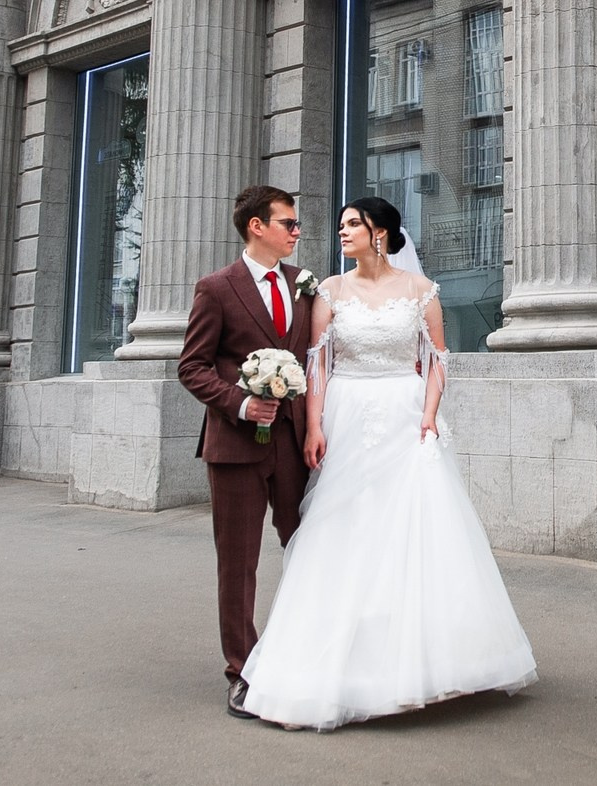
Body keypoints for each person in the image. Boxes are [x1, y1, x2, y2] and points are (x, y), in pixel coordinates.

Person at [239, 195, 537, 729]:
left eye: (352, 224)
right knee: (344, 529)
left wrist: (428, 415)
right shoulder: (329, 290)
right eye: (341, 225)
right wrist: (313, 426)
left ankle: (424, 662)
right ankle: (335, 659)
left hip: (403, 414)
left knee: (411, 531)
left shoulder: (422, 292)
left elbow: (437, 361)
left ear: (380, 232)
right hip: (347, 416)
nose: (342, 232)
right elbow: (320, 366)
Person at [177, 185, 313, 719]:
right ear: (257, 226)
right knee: (239, 565)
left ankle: (306, 652)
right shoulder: (216, 288)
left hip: (296, 445)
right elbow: (192, 366)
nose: (297, 232)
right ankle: (243, 670)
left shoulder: (305, 287)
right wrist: (239, 404)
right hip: (235, 447)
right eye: (288, 223)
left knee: (308, 549)